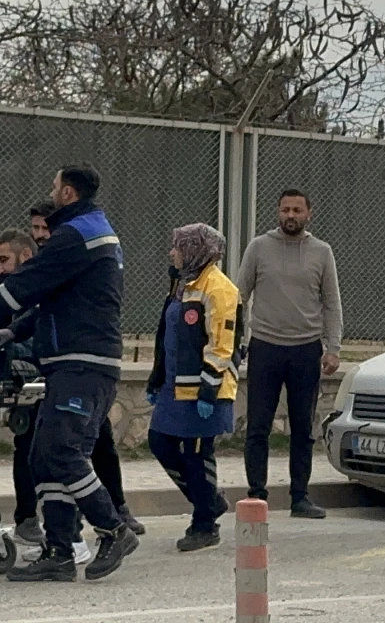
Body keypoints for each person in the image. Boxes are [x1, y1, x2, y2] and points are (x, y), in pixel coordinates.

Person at [0, 163, 137, 582]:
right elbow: (59, 300)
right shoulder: (90, 233)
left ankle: (113, 529)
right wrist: (13, 331)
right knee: (43, 455)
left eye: (54, 187)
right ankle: (60, 551)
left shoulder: (75, 235)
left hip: (82, 363)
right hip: (75, 363)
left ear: (68, 193)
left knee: (62, 451)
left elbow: (28, 283)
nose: (50, 193)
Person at [236, 189, 343, 519]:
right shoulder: (258, 247)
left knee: (302, 429)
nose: (291, 215)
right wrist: (235, 341)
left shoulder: (321, 252)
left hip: (306, 350)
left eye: (297, 210)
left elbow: (331, 303)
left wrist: (333, 348)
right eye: (285, 210)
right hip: (265, 347)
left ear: (309, 214)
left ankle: (300, 497)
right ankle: (257, 496)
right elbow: (239, 296)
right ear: (278, 212)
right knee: (258, 427)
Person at [147, 224, 239, 552]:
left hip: (203, 390)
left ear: (194, 250)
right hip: (175, 388)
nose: (172, 252)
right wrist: (156, 379)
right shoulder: (183, 284)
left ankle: (204, 524)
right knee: (159, 442)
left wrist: (208, 391)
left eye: (177, 247)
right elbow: (167, 336)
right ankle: (209, 500)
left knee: (198, 454)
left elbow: (222, 345)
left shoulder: (219, 288)